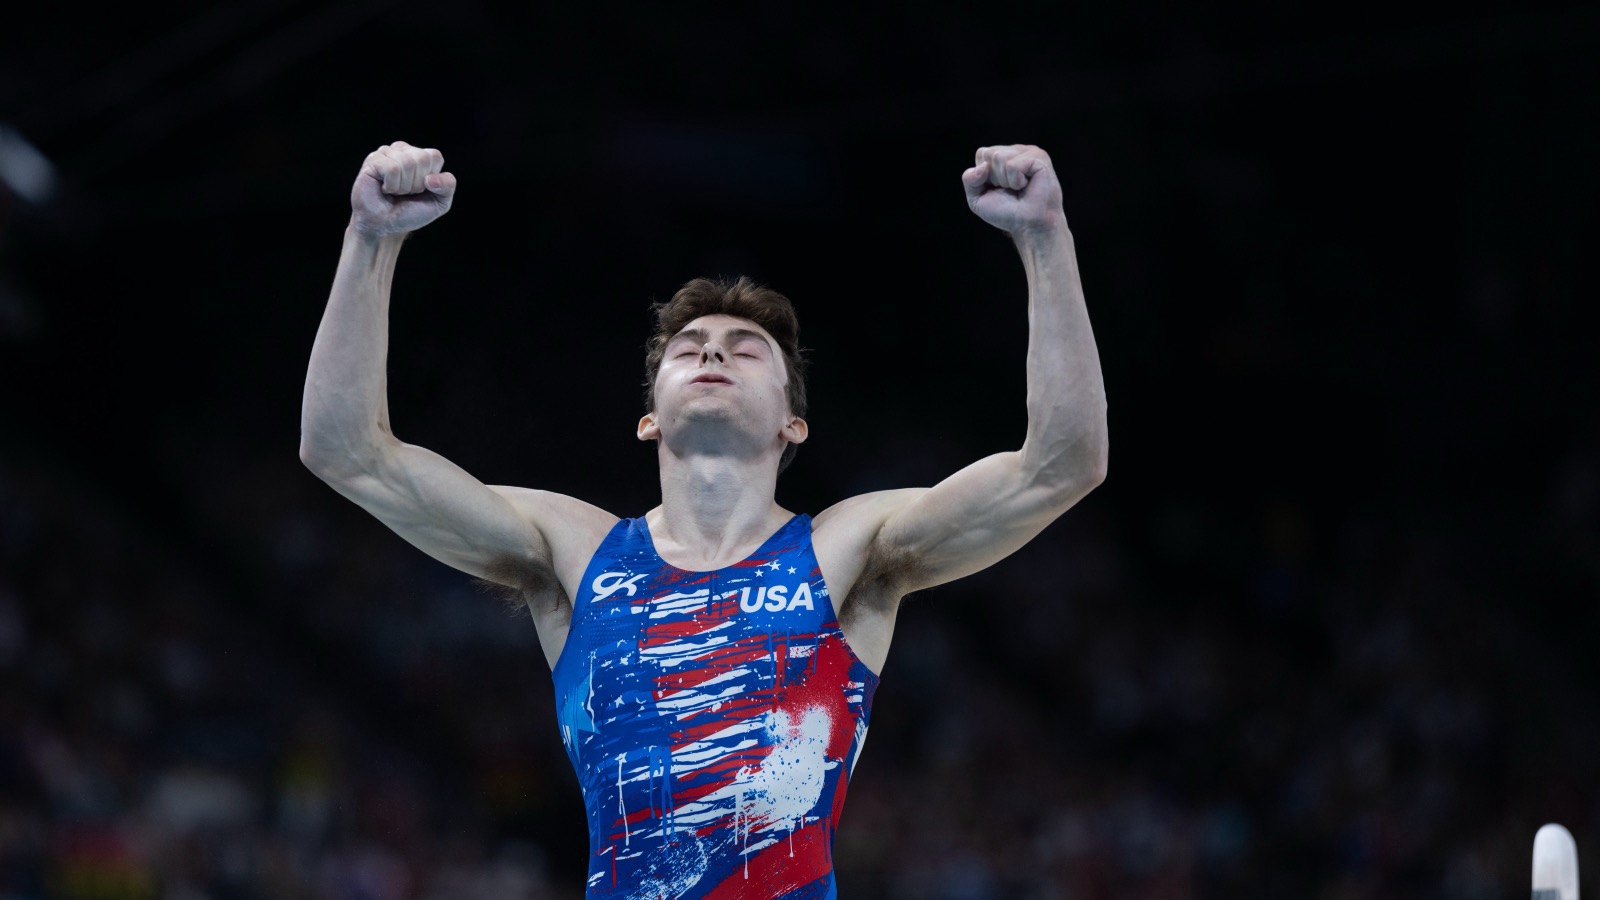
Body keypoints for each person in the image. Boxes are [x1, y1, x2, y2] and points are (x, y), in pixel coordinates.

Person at [299, 139, 1108, 898]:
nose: (714, 351)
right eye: (689, 347)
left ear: (793, 423)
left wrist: (1045, 237)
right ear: (650, 417)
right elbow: (347, 451)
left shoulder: (847, 549)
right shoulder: (575, 552)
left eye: (747, 348)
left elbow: (1061, 465)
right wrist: (370, 238)